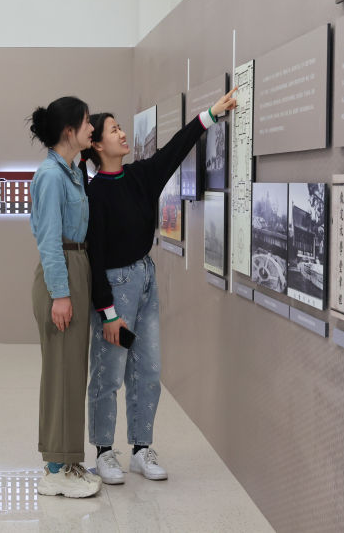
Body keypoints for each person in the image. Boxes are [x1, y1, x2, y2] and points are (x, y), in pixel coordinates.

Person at [83, 88, 236, 485]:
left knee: (148, 369)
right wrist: (108, 313)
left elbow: (174, 148)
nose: (122, 134)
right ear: (97, 145)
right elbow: (94, 257)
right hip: (115, 289)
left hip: (146, 281)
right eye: (114, 130)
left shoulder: (140, 176)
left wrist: (211, 114)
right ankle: (103, 451)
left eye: (120, 128)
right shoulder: (94, 194)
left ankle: (140, 449)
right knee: (109, 371)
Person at [28, 96, 102, 498]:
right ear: (69, 131)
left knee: (72, 371)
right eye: (87, 122)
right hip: (63, 273)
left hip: (77, 267)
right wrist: (61, 294)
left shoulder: (71, 172)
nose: (93, 128)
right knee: (62, 372)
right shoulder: (51, 177)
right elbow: (49, 241)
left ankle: (68, 461)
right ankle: (55, 469)